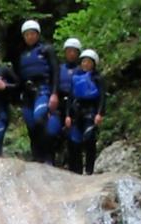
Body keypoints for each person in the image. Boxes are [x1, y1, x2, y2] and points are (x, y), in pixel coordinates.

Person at [14, 20, 59, 164]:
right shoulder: (21, 54)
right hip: (27, 94)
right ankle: (37, 157)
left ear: (38, 34)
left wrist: (54, 93)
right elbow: (18, 78)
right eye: (27, 34)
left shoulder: (47, 50)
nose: (30, 37)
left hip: (43, 90)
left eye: (33, 34)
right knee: (31, 126)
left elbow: (55, 72)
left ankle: (48, 157)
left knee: (40, 119)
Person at [65, 49, 106, 175]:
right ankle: (75, 170)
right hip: (77, 112)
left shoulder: (97, 78)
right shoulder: (76, 77)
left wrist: (99, 113)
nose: (85, 64)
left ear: (93, 64)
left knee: (89, 139)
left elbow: (102, 98)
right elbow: (70, 97)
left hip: (91, 112)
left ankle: (89, 170)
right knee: (74, 141)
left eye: (88, 62)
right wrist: (67, 115)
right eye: (83, 62)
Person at [50, 38, 82, 166]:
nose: (71, 54)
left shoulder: (81, 70)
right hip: (60, 105)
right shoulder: (59, 68)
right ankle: (53, 162)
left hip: (75, 106)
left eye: (74, 51)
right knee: (51, 132)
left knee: (74, 140)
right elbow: (54, 85)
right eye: (69, 51)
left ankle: (76, 168)